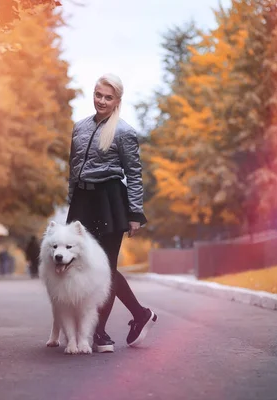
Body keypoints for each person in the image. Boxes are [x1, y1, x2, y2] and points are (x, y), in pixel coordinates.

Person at [66, 73, 157, 353]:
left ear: (117, 100)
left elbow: (133, 174)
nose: (101, 101)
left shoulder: (124, 131)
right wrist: (72, 201)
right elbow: (72, 168)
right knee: (82, 267)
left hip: (109, 200)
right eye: (98, 95)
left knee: (105, 269)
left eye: (108, 97)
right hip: (82, 200)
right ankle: (140, 314)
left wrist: (134, 213)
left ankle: (100, 332)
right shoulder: (79, 128)